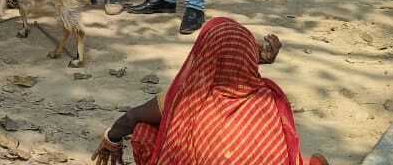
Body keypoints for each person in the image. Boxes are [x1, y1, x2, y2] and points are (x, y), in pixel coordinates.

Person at [90, 18, 329, 165]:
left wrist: (111, 139)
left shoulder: (187, 99)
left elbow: (131, 117)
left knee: (144, 131)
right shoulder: (269, 98)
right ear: (249, 58)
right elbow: (236, 65)